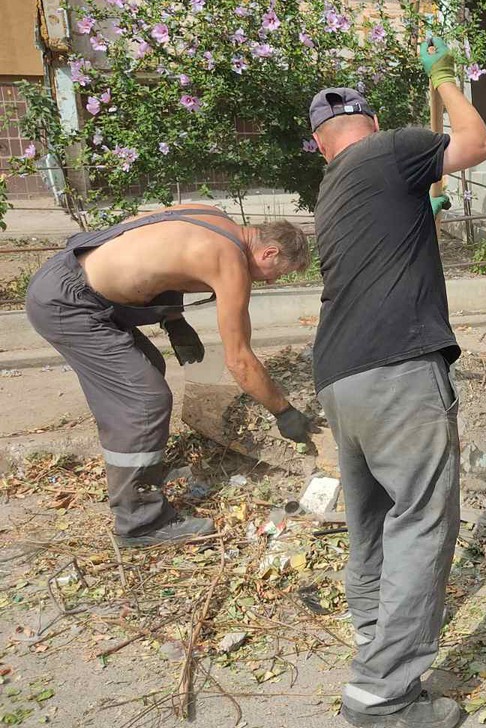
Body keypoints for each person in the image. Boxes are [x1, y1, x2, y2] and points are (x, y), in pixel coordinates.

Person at [309, 34, 486, 728]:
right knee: (421, 521)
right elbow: (472, 144)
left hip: (339, 378)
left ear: (321, 142)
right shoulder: (386, 152)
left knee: (373, 522)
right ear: (373, 127)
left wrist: (427, 211)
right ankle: (381, 698)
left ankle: (373, 636)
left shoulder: (332, 190)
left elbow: (399, 221)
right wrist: (447, 80)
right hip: (396, 370)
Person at [24, 206, 316, 547]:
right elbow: (239, 360)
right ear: (269, 252)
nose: (269, 281)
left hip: (66, 276)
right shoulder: (230, 259)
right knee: (144, 400)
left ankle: (137, 478)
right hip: (69, 304)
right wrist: (283, 411)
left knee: (149, 370)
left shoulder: (213, 219)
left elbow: (149, 241)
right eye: (275, 274)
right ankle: (139, 524)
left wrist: (174, 320)